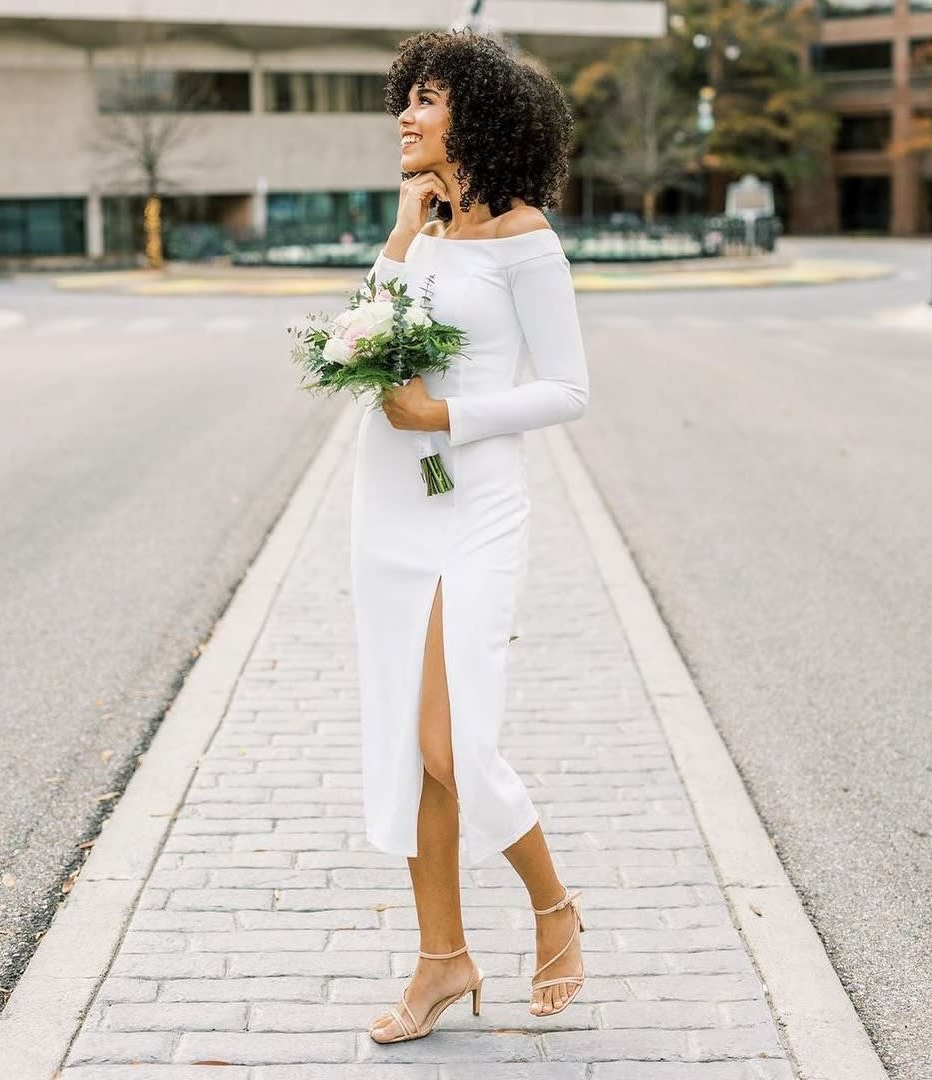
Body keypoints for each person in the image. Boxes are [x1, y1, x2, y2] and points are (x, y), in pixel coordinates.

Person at [348, 27, 590, 1044]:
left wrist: (444, 417)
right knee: (413, 747)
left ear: (475, 117)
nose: (405, 114)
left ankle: (553, 906)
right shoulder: (426, 230)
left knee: (455, 741)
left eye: (427, 99)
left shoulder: (528, 238)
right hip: (392, 504)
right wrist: (404, 237)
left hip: (477, 503)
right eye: (405, 97)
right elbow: (367, 325)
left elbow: (569, 388)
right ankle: (441, 960)